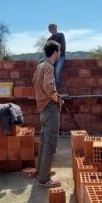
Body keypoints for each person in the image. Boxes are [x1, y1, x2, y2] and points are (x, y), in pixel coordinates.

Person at [33, 40, 62, 187]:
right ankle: (44, 179)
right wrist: (57, 99)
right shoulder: (49, 66)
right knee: (50, 143)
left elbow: (35, 82)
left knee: (44, 141)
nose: (60, 54)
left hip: (43, 109)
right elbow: (48, 86)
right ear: (55, 52)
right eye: (59, 51)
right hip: (50, 108)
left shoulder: (40, 66)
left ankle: (41, 171)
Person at [47, 23, 66, 92]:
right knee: (41, 65)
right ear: (49, 30)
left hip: (60, 56)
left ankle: (56, 90)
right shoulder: (49, 39)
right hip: (52, 58)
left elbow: (62, 46)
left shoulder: (61, 35)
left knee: (57, 71)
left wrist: (57, 55)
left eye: (55, 28)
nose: (54, 29)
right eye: (52, 28)